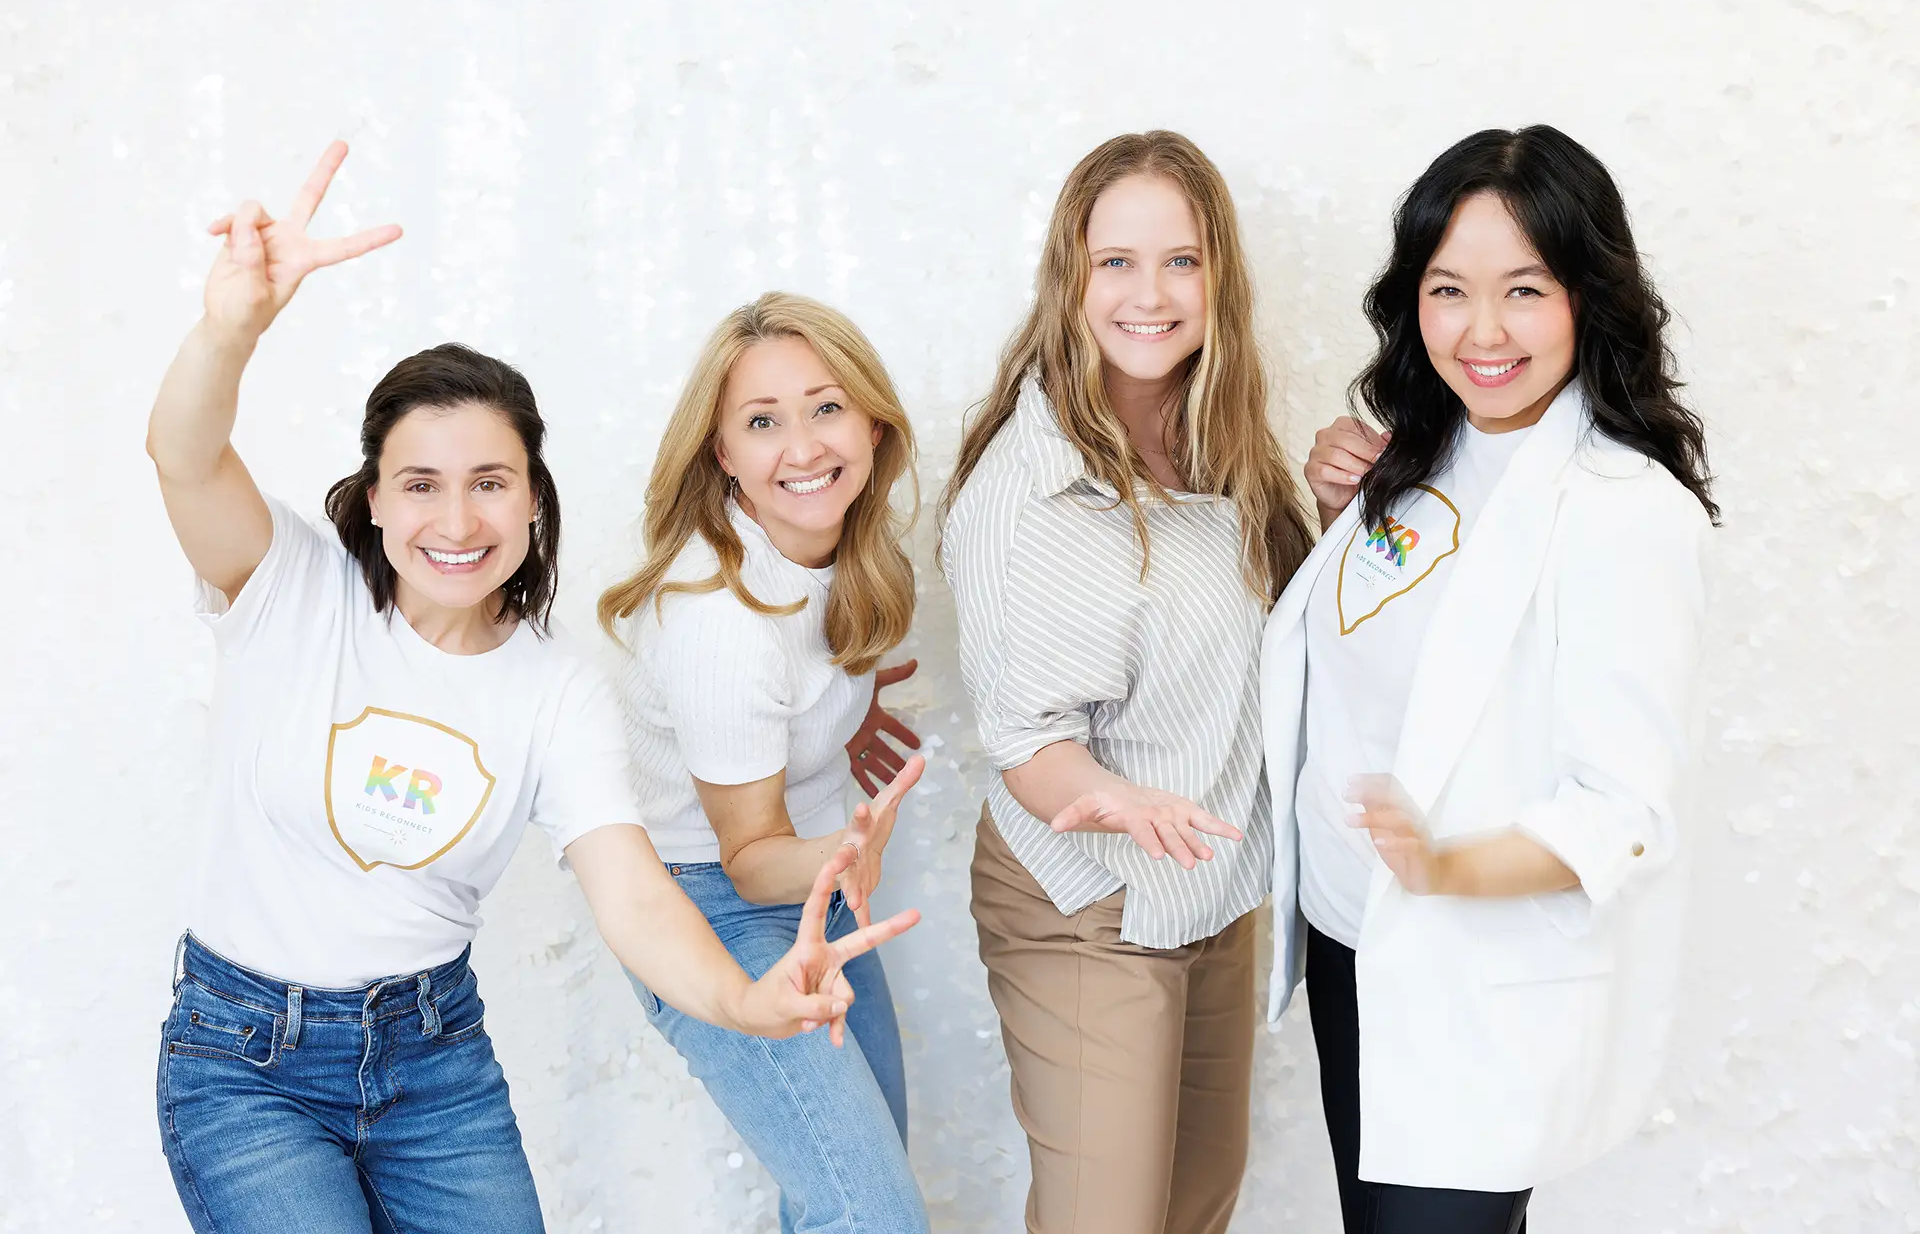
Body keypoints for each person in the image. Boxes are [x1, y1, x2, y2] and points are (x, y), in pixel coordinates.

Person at [149, 144, 916, 1234]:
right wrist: (234, 325)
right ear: (371, 500)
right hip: (246, 1063)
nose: (456, 522)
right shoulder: (291, 589)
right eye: (421, 485)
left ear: (533, 505)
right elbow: (182, 456)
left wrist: (749, 1000)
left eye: (490, 484)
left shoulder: (556, 692)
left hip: (434, 1065)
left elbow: (640, 895)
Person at [1266, 124, 1718, 1234]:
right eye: (1447, 288)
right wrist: (1341, 524)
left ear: (1588, 297)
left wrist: (1448, 863)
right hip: (1350, 942)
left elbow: (1625, 808)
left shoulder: (1625, 509)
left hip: (1470, 969)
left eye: (1523, 289)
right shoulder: (1423, 456)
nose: (1482, 330)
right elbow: (1396, 647)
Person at [940, 131, 1315, 1234]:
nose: (1149, 294)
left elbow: (1287, 632)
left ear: (1219, 279)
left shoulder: (1225, 445)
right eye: (1116, 262)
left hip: (1207, 884)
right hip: (1085, 895)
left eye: (1182, 261)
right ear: (1072, 277)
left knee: (1196, 1205)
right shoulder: (1029, 494)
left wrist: (1350, 509)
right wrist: (1109, 798)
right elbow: (1026, 740)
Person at [598, 291, 929, 1234]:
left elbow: (803, 696)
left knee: (857, 1200)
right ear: (723, 455)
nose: (804, 447)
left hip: (815, 886)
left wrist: (838, 732)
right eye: (761, 422)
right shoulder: (720, 622)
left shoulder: (843, 553)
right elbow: (749, 857)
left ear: (872, 419)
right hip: (711, 905)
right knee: (871, 1218)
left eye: (826, 407)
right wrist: (851, 849)